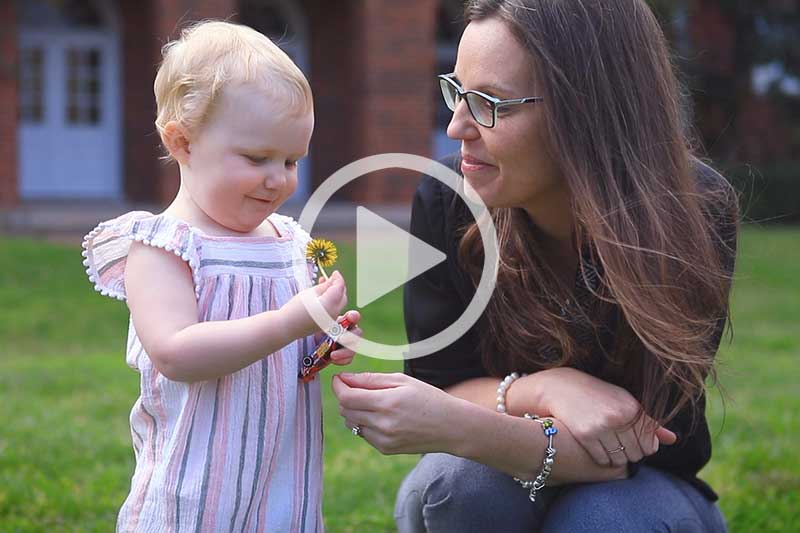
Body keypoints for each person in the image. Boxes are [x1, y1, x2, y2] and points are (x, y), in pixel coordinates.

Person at [332, 0, 737, 531]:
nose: (456, 128)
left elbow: (639, 442)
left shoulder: (692, 210)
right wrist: (544, 388)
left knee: (603, 519)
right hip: (498, 481)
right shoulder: (449, 198)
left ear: (588, 109)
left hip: (647, 489)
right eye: (456, 92)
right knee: (459, 488)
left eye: (490, 104)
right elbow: (441, 384)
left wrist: (467, 427)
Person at [82, 21, 361, 532]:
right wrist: (287, 323)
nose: (278, 179)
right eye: (257, 159)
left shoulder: (289, 241)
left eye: (291, 159)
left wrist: (322, 341)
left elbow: (286, 358)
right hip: (194, 491)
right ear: (182, 142)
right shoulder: (165, 247)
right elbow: (177, 353)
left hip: (282, 482)